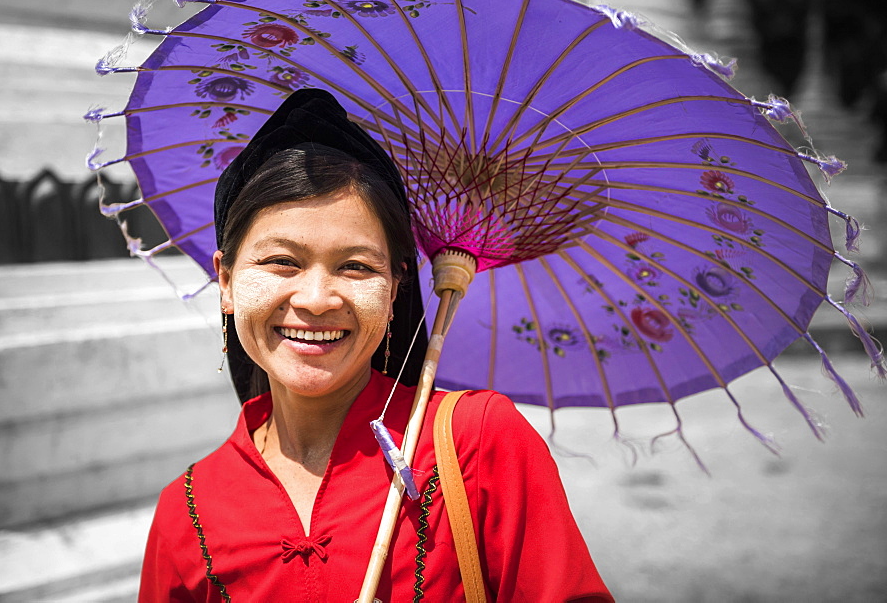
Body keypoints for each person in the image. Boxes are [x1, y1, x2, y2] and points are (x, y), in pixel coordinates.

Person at [138, 89, 613, 602]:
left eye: (357, 266)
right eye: (282, 261)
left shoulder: (480, 444)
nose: (317, 299)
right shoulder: (186, 513)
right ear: (226, 282)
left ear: (394, 291)